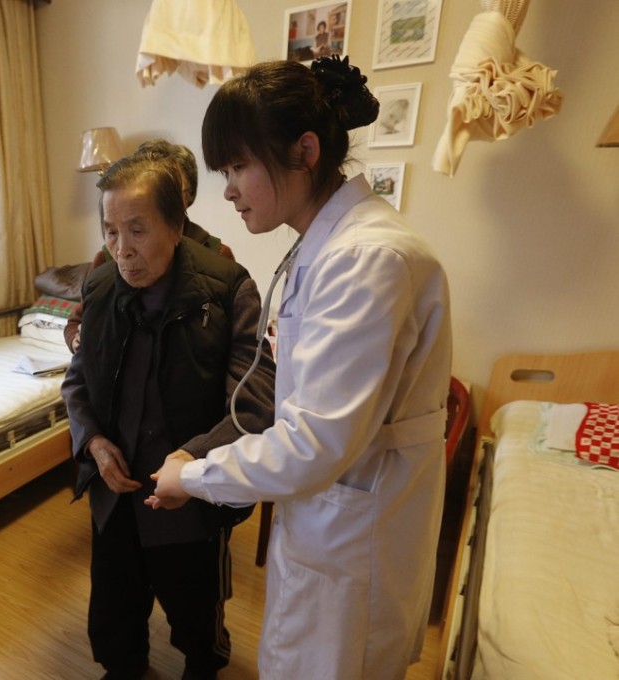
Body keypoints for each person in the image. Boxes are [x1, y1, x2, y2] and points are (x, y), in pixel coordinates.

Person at [146, 55, 453, 680]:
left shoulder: (367, 258)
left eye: (238, 166)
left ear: (305, 151)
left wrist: (194, 475)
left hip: (353, 535)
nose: (228, 189)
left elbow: (315, 442)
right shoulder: (329, 247)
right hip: (332, 519)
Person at [61, 153, 275, 680]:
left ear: (177, 226)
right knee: (115, 613)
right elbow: (77, 381)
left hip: (191, 497)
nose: (122, 249)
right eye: (111, 231)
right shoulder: (99, 287)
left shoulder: (228, 288)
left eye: (137, 230)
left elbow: (253, 404)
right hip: (115, 493)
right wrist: (93, 442)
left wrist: (191, 461)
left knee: (197, 618)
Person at [63, 139, 233, 353]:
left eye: (172, 188)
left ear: (188, 196)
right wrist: (79, 343)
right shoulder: (107, 261)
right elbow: (78, 322)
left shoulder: (216, 257)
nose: (124, 251)